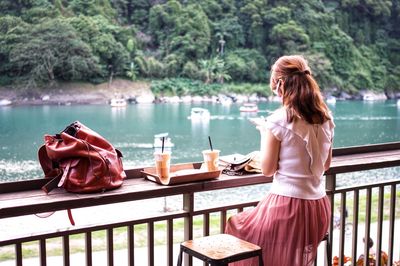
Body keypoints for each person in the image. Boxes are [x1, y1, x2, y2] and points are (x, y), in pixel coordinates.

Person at [225, 55, 335, 266]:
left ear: (281, 84)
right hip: (318, 210)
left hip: (288, 208)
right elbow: (325, 165)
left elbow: (267, 169)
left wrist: (265, 133)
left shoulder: (278, 120)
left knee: (236, 225)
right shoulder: (326, 117)